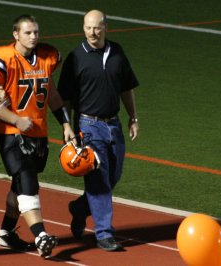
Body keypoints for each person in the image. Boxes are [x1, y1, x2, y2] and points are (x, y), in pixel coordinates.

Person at [0, 14, 75, 258]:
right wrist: (15, 119)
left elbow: (52, 93)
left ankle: (5, 232)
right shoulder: (2, 58)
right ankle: (41, 235)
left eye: (36, 32)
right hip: (12, 133)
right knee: (27, 180)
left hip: (39, 132)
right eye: (27, 32)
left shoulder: (47, 57)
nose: (33, 36)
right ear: (15, 34)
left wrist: (65, 123)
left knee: (20, 186)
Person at [57, 9, 139, 251]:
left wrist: (133, 117)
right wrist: (67, 127)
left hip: (113, 124)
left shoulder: (117, 52)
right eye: (88, 27)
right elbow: (66, 97)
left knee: (113, 177)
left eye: (97, 27)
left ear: (106, 27)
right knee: (99, 180)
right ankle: (104, 233)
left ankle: (80, 208)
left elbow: (126, 88)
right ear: (83, 28)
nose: (92, 32)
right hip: (88, 126)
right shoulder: (76, 58)